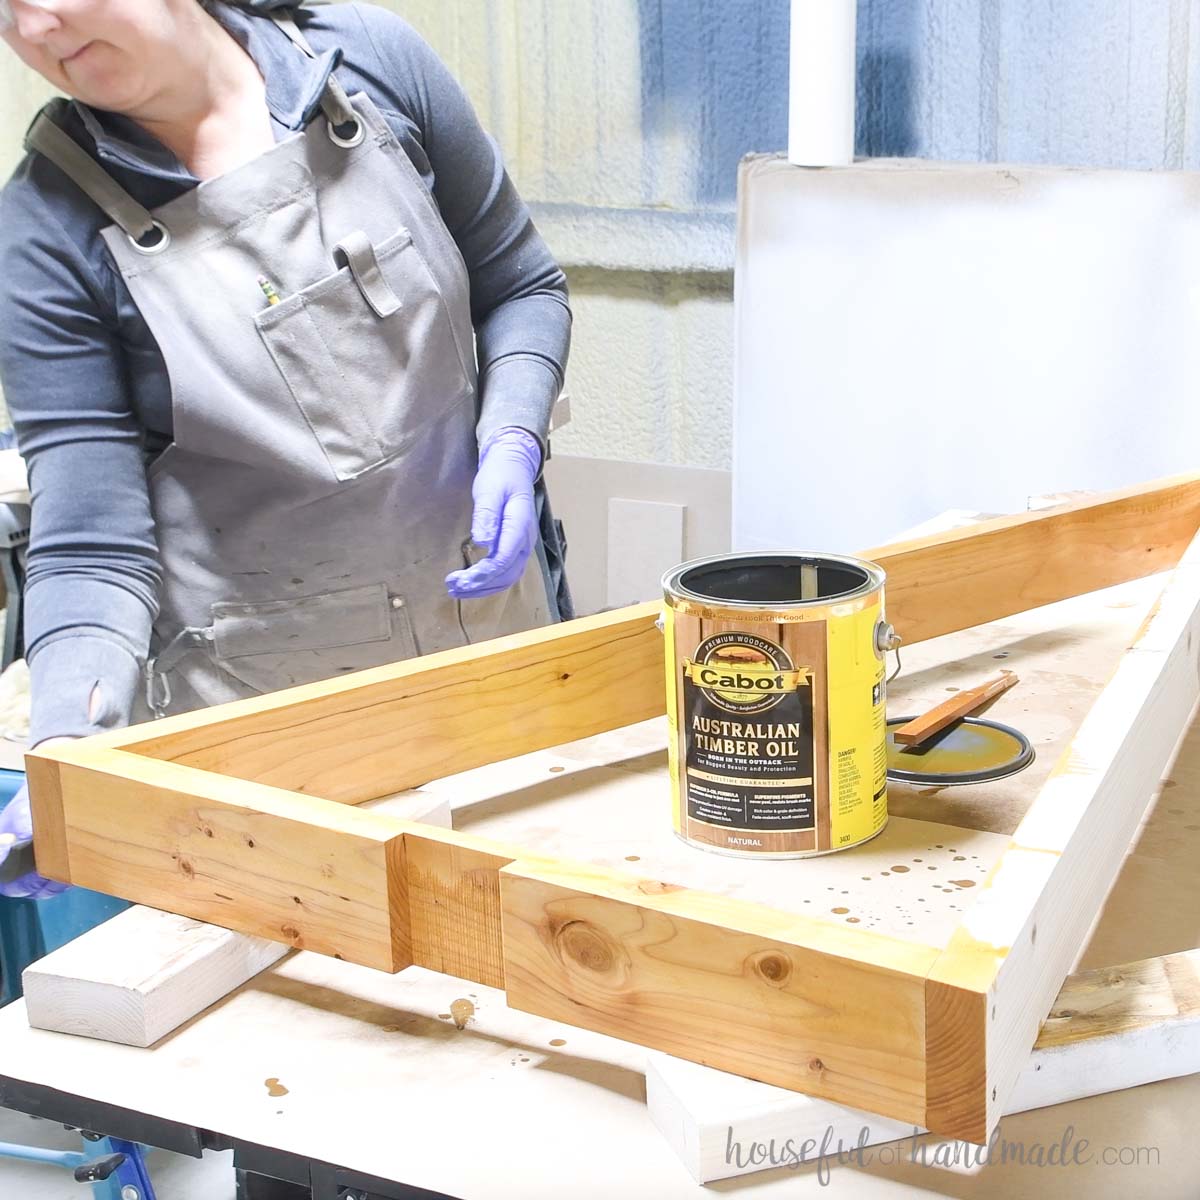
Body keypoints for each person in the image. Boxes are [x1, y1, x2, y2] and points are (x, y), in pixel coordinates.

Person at [0, 0, 572, 898]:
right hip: (263, 740)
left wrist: (511, 436)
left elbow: (521, 284)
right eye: (4, 11)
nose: (36, 29)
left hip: (489, 662)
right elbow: (91, 543)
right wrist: (69, 741)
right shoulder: (45, 232)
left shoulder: (370, 65)